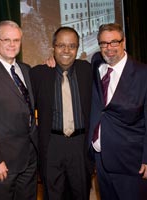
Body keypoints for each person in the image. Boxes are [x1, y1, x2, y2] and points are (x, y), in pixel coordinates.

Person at [30, 26, 94, 200]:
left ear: (78, 48)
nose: (66, 50)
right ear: (53, 47)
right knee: (53, 195)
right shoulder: (38, 74)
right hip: (52, 145)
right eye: (61, 45)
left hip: (80, 146)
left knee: (81, 194)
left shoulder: (87, 70)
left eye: (72, 46)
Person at [0, 20, 38, 200]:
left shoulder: (26, 70)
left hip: (29, 159)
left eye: (16, 40)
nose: (12, 44)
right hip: (2, 164)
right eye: (6, 40)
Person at [88, 23, 147, 200]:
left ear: (124, 42)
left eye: (114, 42)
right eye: (104, 43)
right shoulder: (96, 64)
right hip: (101, 161)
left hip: (132, 163)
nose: (109, 48)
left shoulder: (143, 73)